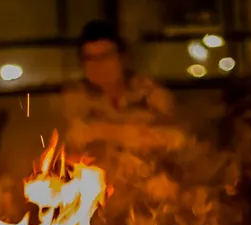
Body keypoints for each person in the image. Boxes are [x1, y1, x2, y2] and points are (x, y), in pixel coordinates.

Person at [62, 20, 178, 155]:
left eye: (105, 56)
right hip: (96, 172)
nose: (98, 65)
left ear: (122, 58)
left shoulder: (149, 91)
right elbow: (75, 137)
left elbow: (176, 137)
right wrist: (129, 133)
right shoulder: (77, 96)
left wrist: (103, 132)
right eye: (90, 58)